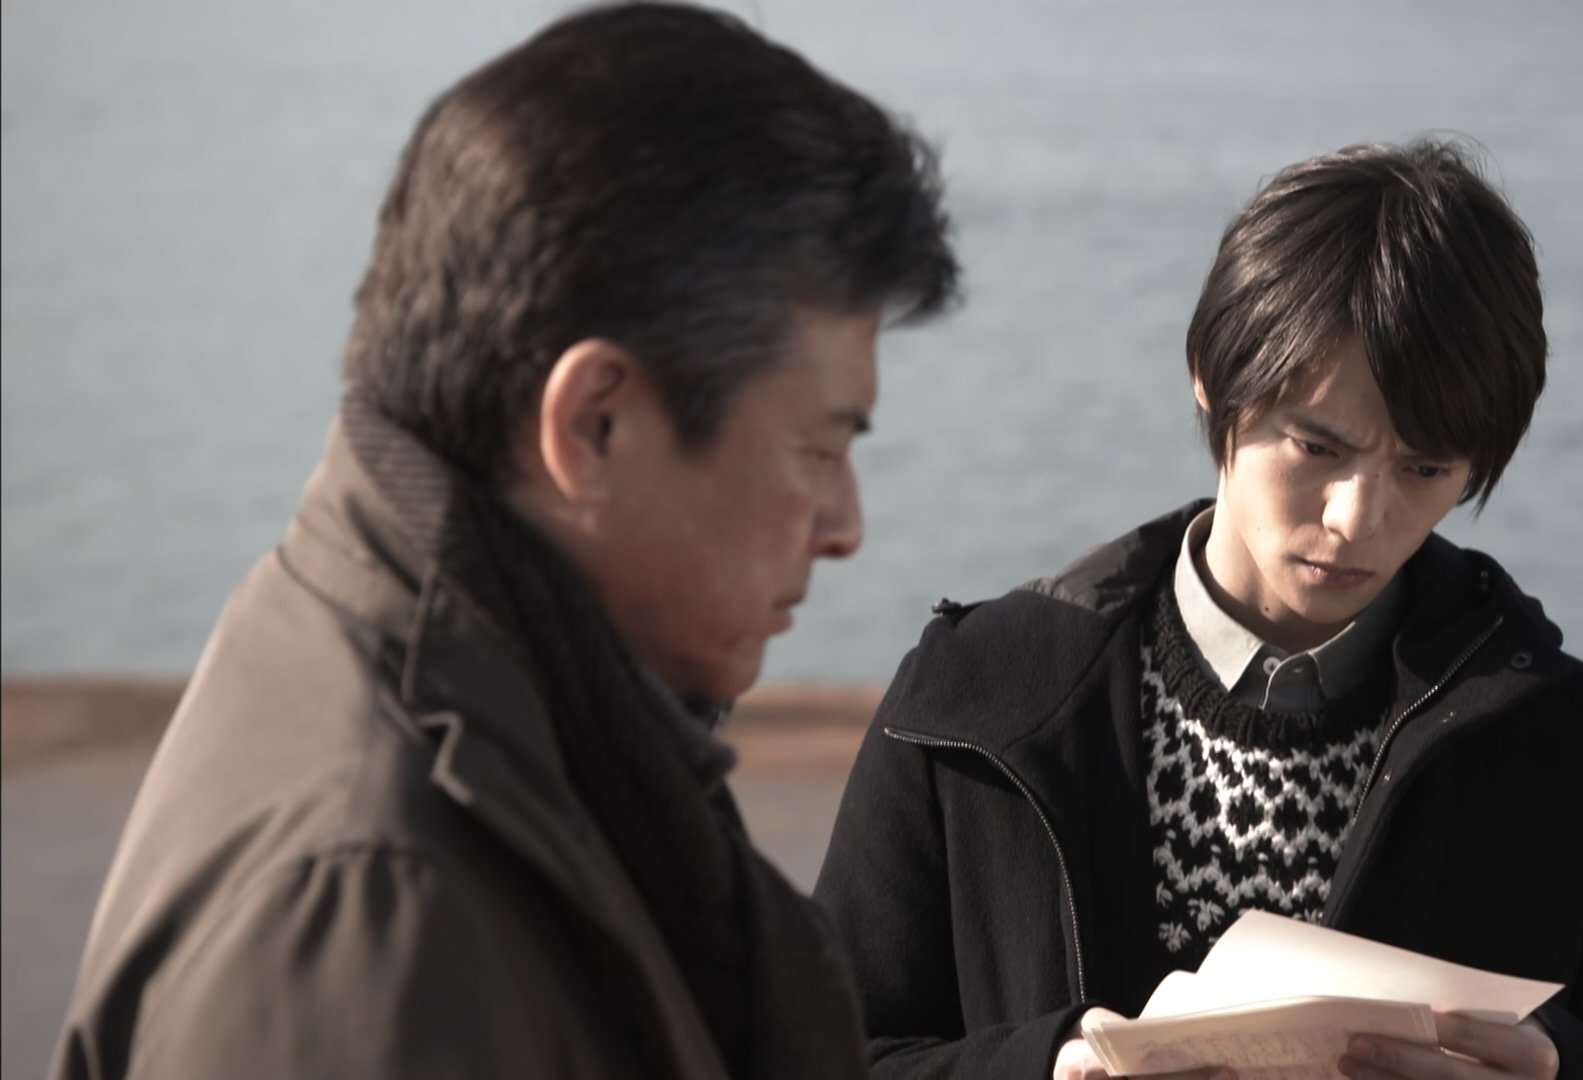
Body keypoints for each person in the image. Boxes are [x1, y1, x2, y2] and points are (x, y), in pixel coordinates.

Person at [52, 4, 957, 1078]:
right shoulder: (377, 920)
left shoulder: (461, 691)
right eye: (820, 449)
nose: (846, 527)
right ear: (595, 425)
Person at [814, 138, 1583, 1079]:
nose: (1357, 519)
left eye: (1423, 469)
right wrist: (1047, 1067)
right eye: (1317, 448)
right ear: (1211, 378)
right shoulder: (975, 702)